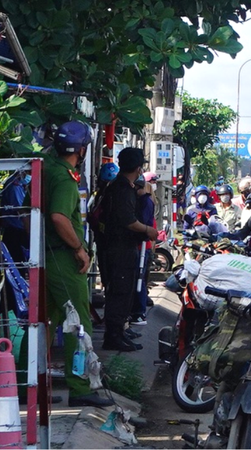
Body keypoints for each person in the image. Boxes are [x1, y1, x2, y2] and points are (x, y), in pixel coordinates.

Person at [43, 121, 112, 407]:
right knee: (79, 322)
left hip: (45, 255)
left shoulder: (45, 171)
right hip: (62, 258)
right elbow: (59, 217)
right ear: (82, 150)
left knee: (44, 322)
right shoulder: (63, 178)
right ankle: (80, 386)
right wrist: (78, 249)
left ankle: (24, 383)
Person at [96, 147, 154, 352]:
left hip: (118, 248)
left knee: (124, 293)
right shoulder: (121, 190)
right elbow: (129, 222)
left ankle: (119, 331)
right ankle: (113, 336)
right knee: (119, 293)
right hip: (119, 250)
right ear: (138, 169)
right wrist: (149, 230)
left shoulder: (119, 187)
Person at [0, 169, 32, 316]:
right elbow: (22, 212)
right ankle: (9, 310)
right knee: (14, 274)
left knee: (19, 272)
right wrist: (31, 234)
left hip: (18, 232)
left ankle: (11, 309)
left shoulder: (20, 184)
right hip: (16, 233)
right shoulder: (15, 185)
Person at [129, 172, 158, 326]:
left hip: (141, 246)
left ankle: (138, 313)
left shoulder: (144, 202)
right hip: (140, 246)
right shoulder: (143, 200)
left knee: (139, 280)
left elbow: (144, 224)